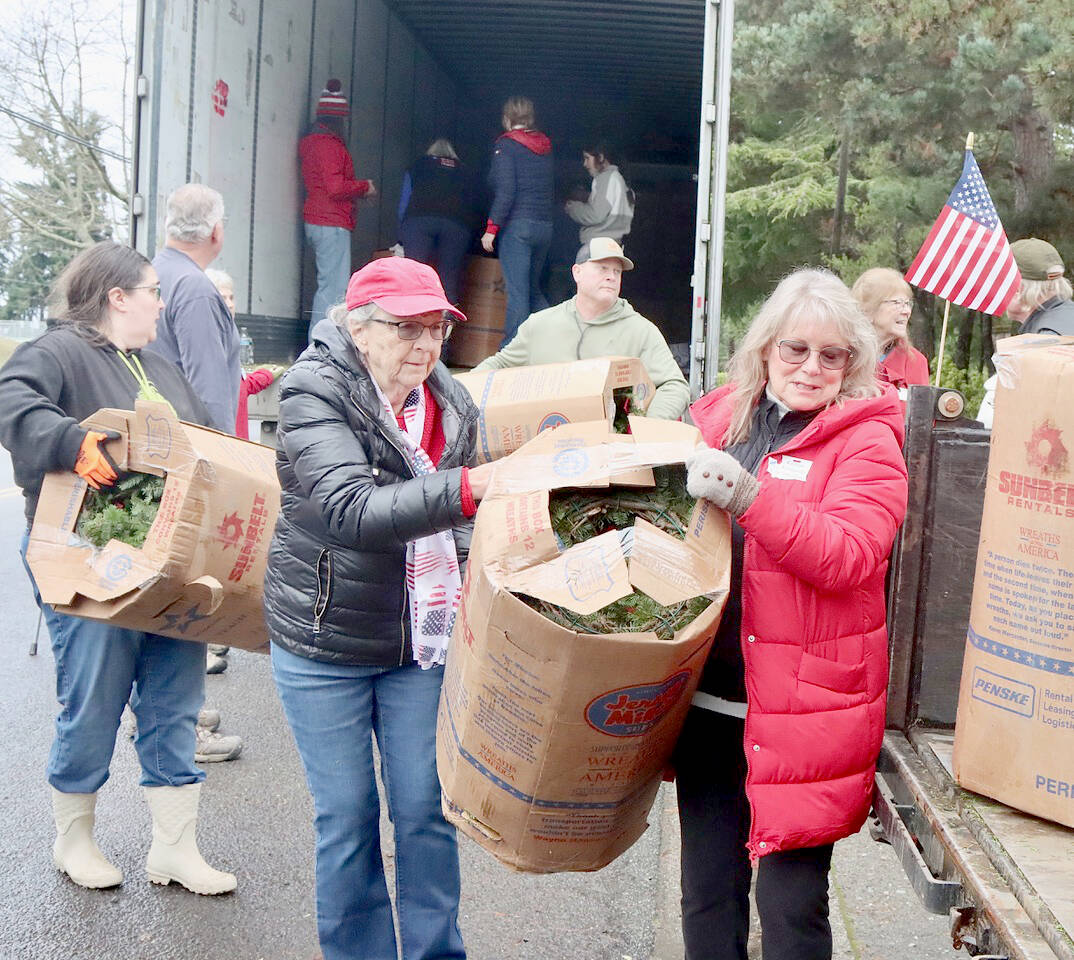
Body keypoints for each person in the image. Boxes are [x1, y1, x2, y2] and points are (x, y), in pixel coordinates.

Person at [264, 257, 497, 960]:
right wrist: (468, 489)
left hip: (418, 647)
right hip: (323, 641)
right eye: (406, 329)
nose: (424, 346)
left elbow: (462, 524)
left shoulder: (451, 401)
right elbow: (348, 509)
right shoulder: (313, 391)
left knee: (428, 811)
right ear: (359, 329)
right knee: (348, 817)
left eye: (435, 329)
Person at [678, 268, 908, 960]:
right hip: (713, 707)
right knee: (707, 897)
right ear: (766, 349)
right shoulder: (719, 418)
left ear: (853, 362)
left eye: (831, 354)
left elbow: (848, 554)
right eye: (795, 350)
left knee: (790, 914)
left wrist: (751, 498)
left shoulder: (867, 442)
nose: (811, 367)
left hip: (806, 715)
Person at [0, 241, 237, 895]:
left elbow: (208, 441)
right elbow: (12, 405)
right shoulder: (55, 353)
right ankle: (73, 839)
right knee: (96, 697)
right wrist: (73, 443)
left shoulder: (158, 363)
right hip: (85, 558)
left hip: (168, 564)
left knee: (175, 696)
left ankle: (174, 848)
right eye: (154, 290)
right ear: (118, 298)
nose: (163, 302)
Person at [474, 237, 690, 420]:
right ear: (577, 272)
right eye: (603, 268)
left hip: (610, 451)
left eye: (617, 271)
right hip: (546, 443)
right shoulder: (540, 324)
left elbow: (675, 385)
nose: (611, 277)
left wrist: (648, 428)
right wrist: (459, 390)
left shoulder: (641, 331)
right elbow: (500, 364)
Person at [148, 183, 240, 434]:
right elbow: (209, 392)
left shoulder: (148, 274)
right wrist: (224, 458)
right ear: (216, 232)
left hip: (156, 437)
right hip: (189, 447)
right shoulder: (195, 290)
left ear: (168, 225)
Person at [300, 78, 377, 341]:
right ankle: (320, 344)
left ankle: (319, 341)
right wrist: (363, 187)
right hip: (330, 222)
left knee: (326, 284)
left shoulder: (310, 142)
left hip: (316, 218)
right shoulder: (330, 145)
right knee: (333, 289)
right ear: (339, 119)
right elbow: (334, 187)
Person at [480, 95, 554, 346]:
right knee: (532, 290)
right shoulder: (545, 148)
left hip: (519, 227)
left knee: (518, 294)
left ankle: (511, 352)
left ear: (507, 118)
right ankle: (554, 343)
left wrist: (491, 228)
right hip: (544, 226)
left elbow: (506, 191)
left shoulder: (506, 147)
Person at [977, 238, 1073, 427]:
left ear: (1018, 290)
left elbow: (1036, 424)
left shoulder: (1046, 341)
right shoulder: (1061, 322)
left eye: (1000, 282)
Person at [204, 267, 284, 442]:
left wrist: (265, 375)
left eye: (231, 297)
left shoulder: (228, 336)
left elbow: (238, 386)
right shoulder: (206, 340)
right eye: (223, 298)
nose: (230, 304)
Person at [398, 138, 474, 305]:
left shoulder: (419, 165)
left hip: (419, 220)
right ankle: (446, 328)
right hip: (456, 224)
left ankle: (411, 324)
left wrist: (401, 233)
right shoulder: (464, 171)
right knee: (448, 281)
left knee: (414, 277)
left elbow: (405, 199)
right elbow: (472, 203)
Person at [851, 267, 929, 394]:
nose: (906, 311)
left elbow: (919, 413)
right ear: (868, 310)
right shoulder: (842, 355)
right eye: (897, 303)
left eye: (907, 303)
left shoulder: (916, 362)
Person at [564, 141, 635, 261]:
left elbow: (595, 215)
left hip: (596, 249)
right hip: (615, 249)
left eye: (587, 158)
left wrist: (571, 207)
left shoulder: (606, 177)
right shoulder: (623, 183)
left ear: (601, 157)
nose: (584, 164)